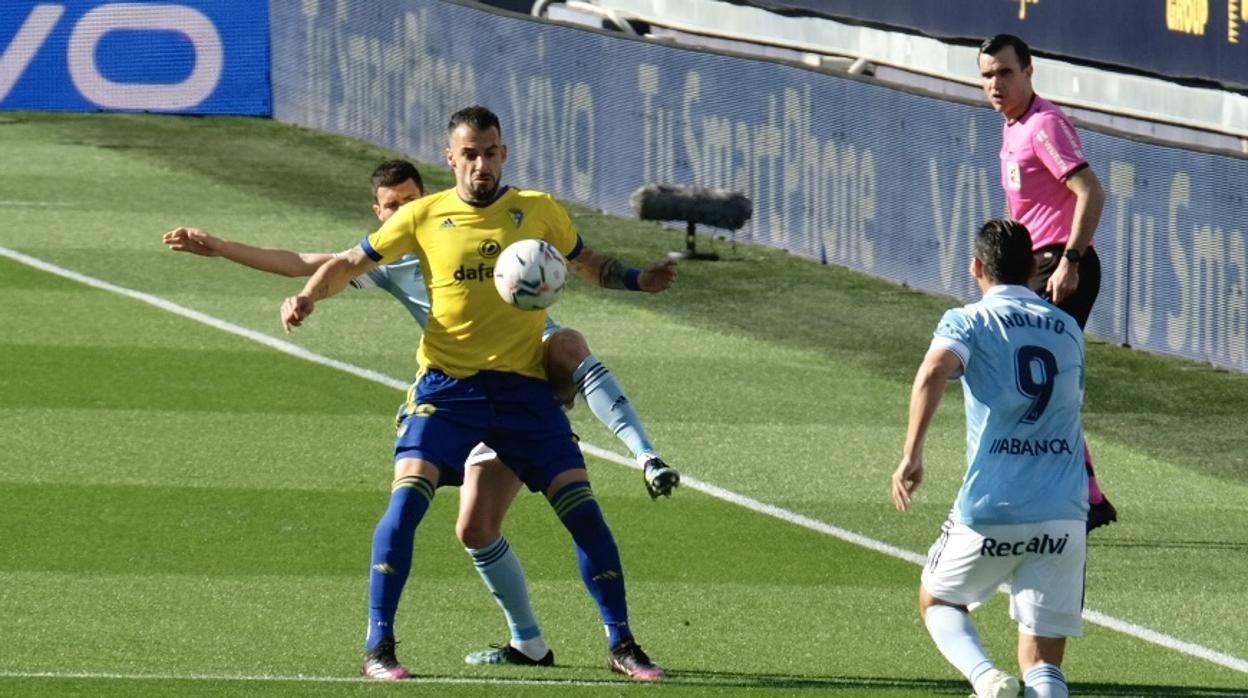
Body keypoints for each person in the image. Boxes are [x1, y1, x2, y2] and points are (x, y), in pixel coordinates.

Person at [164, 158, 680, 672]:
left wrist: (631, 277)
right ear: (379, 212)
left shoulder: (470, 222)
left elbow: (577, 257)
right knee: (476, 529)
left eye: (409, 201)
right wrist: (219, 247)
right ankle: (529, 644)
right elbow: (305, 261)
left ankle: (644, 458)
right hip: (458, 391)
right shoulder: (390, 257)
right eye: (391, 207)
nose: (401, 212)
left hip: (528, 377)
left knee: (567, 347)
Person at [892, 218, 1088, 698]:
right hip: (1064, 512)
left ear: (976, 267)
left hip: (992, 508)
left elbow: (935, 367)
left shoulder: (968, 320)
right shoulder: (1067, 328)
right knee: (1042, 661)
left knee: (937, 599)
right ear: (1034, 269)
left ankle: (985, 679)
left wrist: (911, 454)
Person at [978, 33, 1116, 532]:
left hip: (1061, 267)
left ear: (1029, 70)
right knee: (1034, 381)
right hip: (1036, 265)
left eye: (1005, 73)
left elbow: (1090, 191)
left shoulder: (1044, 127)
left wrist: (1070, 261)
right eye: (988, 76)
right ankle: (1085, 495)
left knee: (1031, 380)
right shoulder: (1014, 126)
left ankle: (1065, 493)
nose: (996, 84)